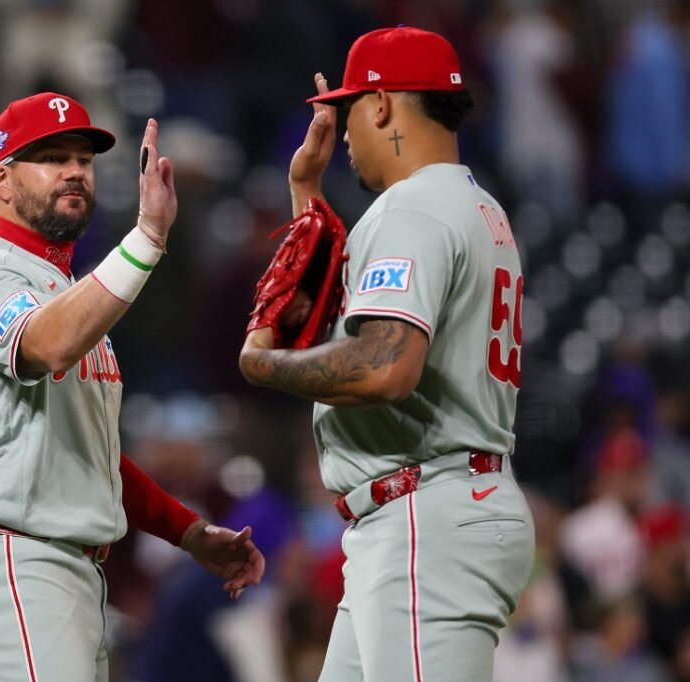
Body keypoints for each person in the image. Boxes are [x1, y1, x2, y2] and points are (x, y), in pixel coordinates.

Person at [0, 92, 265, 681]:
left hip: (58, 567)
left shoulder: (63, 286)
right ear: (1, 180)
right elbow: (48, 343)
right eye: (52, 157)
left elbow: (86, 454)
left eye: (83, 157)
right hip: (15, 560)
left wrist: (187, 531)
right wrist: (147, 240)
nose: (76, 170)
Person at [239, 27, 535, 682]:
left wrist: (265, 365)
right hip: (434, 508)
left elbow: (384, 365)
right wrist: (307, 197)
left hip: (425, 517)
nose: (343, 130)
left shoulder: (412, 208)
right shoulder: (475, 206)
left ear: (380, 105)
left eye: (348, 110)